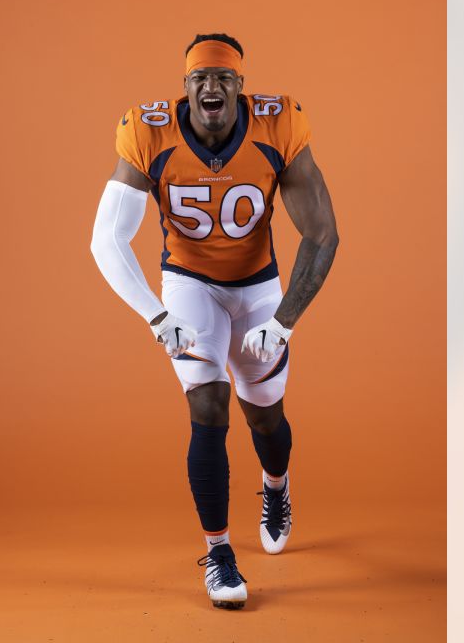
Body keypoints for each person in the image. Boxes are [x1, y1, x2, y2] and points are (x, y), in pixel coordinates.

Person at [89, 33, 339, 609]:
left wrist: (284, 321)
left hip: (257, 285)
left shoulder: (278, 127)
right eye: (200, 77)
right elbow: (107, 239)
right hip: (189, 282)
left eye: (223, 77)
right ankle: (219, 552)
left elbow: (322, 233)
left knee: (265, 415)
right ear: (185, 88)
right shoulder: (148, 133)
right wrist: (156, 315)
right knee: (207, 405)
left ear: (240, 88)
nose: (211, 86)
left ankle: (275, 486)